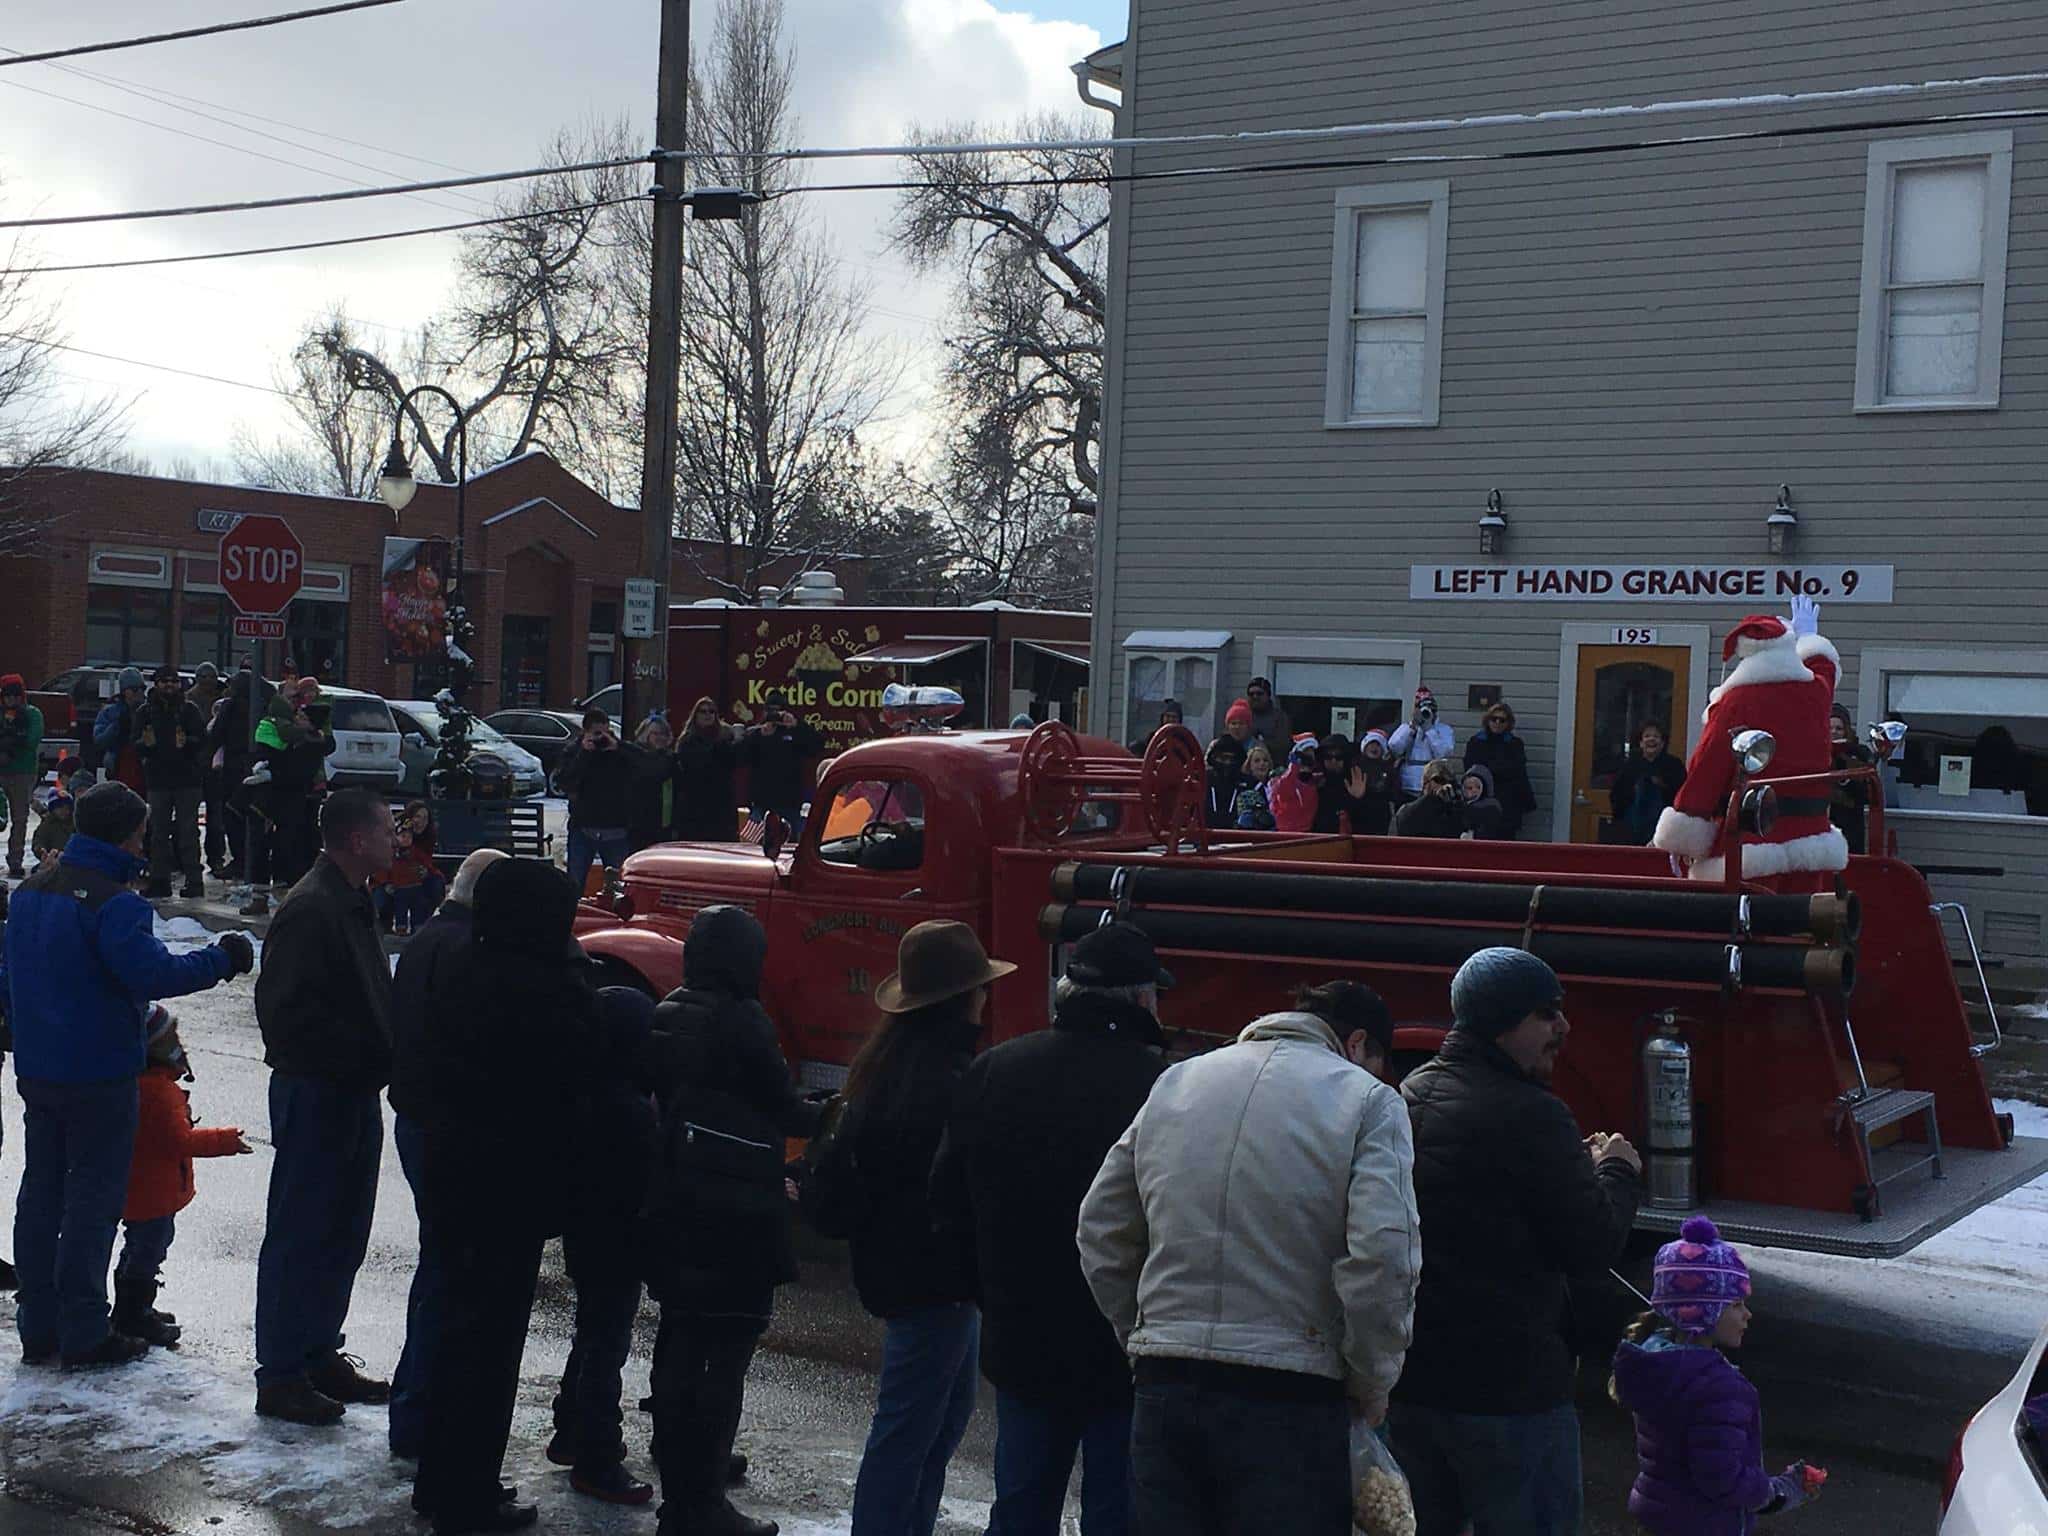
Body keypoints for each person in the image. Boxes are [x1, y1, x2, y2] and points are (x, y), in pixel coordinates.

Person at [1077, 979, 1420, 1536]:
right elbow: (1385, 1259)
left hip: (1167, 1386)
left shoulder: (1179, 1081)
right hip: (1291, 1398)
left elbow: (1100, 1229)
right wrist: (1371, 1378)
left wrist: (1145, 1331)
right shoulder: (1369, 1100)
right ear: (1358, 1045)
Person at [411, 859, 652, 1536]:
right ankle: (469, 1498)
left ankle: (440, 1481)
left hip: (455, 1175)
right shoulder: (548, 985)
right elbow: (570, 1087)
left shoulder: (463, 965)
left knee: (457, 1340)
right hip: (510, 1192)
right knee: (489, 1354)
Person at [1389, 947, 1643, 1536]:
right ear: (1502, 1023)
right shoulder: (1534, 1115)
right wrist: (1617, 1169)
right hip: (1510, 1392)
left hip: (1414, 1383)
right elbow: (1593, 1246)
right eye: (1547, 1014)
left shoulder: (1412, 1091)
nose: (1564, 1027)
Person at [930, 922, 1171, 1536]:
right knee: (1117, 1512)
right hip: (1126, 1341)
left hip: (1023, 1332)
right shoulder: (1165, 1089)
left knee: (1021, 1506)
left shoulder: (997, 1069)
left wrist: (986, 1291)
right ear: (1143, 1000)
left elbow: (949, 1200)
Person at [7, 781, 251, 1368]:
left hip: (40, 1069)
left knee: (41, 1196)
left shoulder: (32, 893)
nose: (146, 836)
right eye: (141, 829)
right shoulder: (116, 903)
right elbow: (151, 974)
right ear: (125, 832)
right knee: (92, 1202)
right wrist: (223, 958)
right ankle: (85, 1330)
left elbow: (9, 975)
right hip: (98, 1074)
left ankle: (38, 1327)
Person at [644, 904, 820, 1536]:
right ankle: (702, 1501)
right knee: (723, 1359)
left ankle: (680, 1473)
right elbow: (780, 1107)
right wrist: (830, 1114)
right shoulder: (743, 1021)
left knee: (680, 1344)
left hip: (676, 1204)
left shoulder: (667, 1012)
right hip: (735, 1213)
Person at [845, 922, 1015, 1536]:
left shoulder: (892, 1067)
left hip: (911, 1271)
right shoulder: (949, 1079)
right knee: (913, 1430)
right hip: (935, 1277)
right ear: (965, 998)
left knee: (933, 1423)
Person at [252, 788, 397, 1424]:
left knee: (343, 1233)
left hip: (355, 1091)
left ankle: (317, 1351)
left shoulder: (353, 899)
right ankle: (280, 1372)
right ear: (356, 839)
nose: (398, 838)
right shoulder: (311, 908)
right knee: (301, 1232)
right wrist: (358, 1056)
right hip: (318, 1093)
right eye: (388, 829)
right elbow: (283, 1016)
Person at [387, 848, 507, 1462]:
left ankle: (415, 1412)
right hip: (446, 1126)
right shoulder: (468, 951)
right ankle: (420, 1416)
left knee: (439, 1267)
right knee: (448, 1275)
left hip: (416, 1117)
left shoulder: (427, 941)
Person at [1611, 1217, 1824, 1535]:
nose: (1747, 1315)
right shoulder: (1718, 1387)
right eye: (1736, 1304)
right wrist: (1778, 1491)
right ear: (1704, 1311)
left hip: (1660, 1517)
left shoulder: (1654, 1364)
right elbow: (1721, 1477)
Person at [552, 984, 664, 1509]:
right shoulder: (630, 1111)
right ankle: (596, 1454)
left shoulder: (586, 1093)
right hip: (617, 1242)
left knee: (591, 1334)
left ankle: (572, 1428)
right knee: (606, 1344)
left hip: (587, 1237)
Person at [113, 1005, 253, 1348]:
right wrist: (225, 1140)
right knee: (148, 1249)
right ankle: (134, 1313)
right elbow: (178, 1140)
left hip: (145, 1189)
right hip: (152, 1193)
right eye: (171, 1037)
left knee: (141, 1247)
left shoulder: (147, 1084)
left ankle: (133, 1307)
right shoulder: (156, 1091)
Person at [136, 665, 209, 900]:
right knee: (158, 832)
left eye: (174, 681)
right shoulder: (145, 712)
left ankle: (194, 881)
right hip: (158, 779)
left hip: (187, 779)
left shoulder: (189, 710)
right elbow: (134, 742)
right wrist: (145, 745)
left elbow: (203, 742)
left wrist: (188, 743)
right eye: (164, 681)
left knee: (187, 831)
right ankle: (160, 881)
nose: (170, 686)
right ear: (155, 684)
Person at [559, 707, 636, 892]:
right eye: (597, 733)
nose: (601, 738)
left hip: (615, 827)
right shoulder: (574, 751)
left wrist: (617, 747)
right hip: (583, 827)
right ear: (585, 732)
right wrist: (584, 753)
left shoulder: (617, 750)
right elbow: (566, 782)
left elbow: (638, 765)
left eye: (606, 732)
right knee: (575, 883)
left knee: (619, 885)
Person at [738, 695, 823, 832]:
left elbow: (817, 746)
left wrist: (797, 725)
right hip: (761, 804)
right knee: (753, 843)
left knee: (789, 842)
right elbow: (741, 757)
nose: (775, 715)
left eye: (779, 711)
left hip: (790, 803)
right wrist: (760, 736)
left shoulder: (795, 731)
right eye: (771, 711)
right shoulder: (758, 733)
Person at [1463, 703, 1538, 839]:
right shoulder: (1476, 742)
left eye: (1502, 720)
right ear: (1488, 720)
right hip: (1481, 802)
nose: (1497, 723)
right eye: (1494, 719)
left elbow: (1519, 772)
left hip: (1508, 804)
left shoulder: (1515, 744)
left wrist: (1527, 801)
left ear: (1508, 723)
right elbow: (1470, 769)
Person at [1608, 722, 1687, 848]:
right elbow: (1617, 795)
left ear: (1662, 743)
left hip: (1663, 827)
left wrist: (1661, 785)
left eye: (1656, 736)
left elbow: (1682, 795)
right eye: (1647, 736)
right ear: (1640, 742)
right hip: (1631, 828)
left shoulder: (1674, 765)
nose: (1651, 739)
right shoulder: (1630, 765)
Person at [675, 697, 741, 842]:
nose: (707, 715)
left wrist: (738, 742)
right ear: (695, 714)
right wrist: (722, 745)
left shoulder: (726, 737)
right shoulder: (687, 740)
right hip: (696, 807)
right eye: (703, 711)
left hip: (722, 807)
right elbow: (697, 765)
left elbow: (736, 763)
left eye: (712, 712)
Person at [374, 801, 444, 934]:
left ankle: (421, 924)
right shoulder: (394, 834)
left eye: (425, 818)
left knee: (434, 885)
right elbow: (380, 863)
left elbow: (426, 862)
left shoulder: (426, 838)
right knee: (382, 898)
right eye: (418, 816)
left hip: (413, 881)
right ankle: (384, 926)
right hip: (388, 878)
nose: (421, 821)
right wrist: (386, 882)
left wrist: (427, 872)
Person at [0, 673, 45, 878]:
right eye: (7, 696)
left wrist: (12, 743)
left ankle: (16, 859)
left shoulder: (32, 715)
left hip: (23, 772)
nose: (11, 700)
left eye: (15, 695)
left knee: (20, 818)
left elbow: (32, 740)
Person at [1388, 687, 1455, 798]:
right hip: (1407, 785)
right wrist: (1412, 727)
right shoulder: (1406, 727)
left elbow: (1443, 753)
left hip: (1433, 785)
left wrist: (1429, 730)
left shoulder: (1444, 730)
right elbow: (1394, 747)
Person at [629, 713, 684, 852]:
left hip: (663, 825)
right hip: (638, 825)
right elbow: (655, 773)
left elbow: (679, 793)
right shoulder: (635, 755)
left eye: (664, 734)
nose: (660, 737)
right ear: (644, 734)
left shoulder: (672, 759)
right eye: (655, 733)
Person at [1827, 704, 1876, 857]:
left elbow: (1865, 794)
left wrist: (1845, 771)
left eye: (1839, 728)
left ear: (1846, 730)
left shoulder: (1859, 754)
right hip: (1822, 828)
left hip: (1850, 828)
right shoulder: (1815, 755)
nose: (1834, 732)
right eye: (1830, 728)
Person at [91, 667, 149, 794]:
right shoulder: (110, 712)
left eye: (142, 689)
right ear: (124, 691)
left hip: (145, 769)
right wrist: (118, 724)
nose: (139, 693)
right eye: (134, 689)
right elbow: (100, 740)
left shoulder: (150, 710)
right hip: (119, 766)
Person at [1392, 758, 1467, 838]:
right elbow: (1405, 824)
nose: (1442, 785)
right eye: (1438, 780)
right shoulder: (1409, 810)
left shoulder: (1457, 808)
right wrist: (1431, 799)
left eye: (1447, 781)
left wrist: (1453, 804)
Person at [1265, 734, 1322, 833]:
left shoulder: (1315, 782)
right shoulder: (1280, 780)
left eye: (1310, 758)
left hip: (1308, 833)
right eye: (1303, 757)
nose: (1306, 763)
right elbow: (1283, 790)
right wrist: (1294, 767)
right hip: (1285, 834)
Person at [31, 757, 80, 869]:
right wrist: (40, 850)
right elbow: (39, 839)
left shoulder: (75, 823)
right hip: (52, 857)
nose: (64, 811)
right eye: (60, 808)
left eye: (67, 808)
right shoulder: (48, 823)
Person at [1243, 678, 1293, 764]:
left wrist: (1258, 744)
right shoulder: (1242, 715)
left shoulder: (1280, 717)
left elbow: (1283, 745)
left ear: (1268, 695)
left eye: (1259, 694)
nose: (1255, 697)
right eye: (1251, 694)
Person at [1203, 736, 1246, 831]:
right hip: (1203, 838)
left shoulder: (1251, 785)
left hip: (1239, 841)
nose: (1227, 763)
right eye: (1223, 758)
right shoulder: (1200, 781)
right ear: (1213, 758)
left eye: (1232, 759)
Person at [1232, 743, 1276, 830]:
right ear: (1249, 765)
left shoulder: (1276, 785)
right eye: (1257, 761)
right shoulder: (1242, 788)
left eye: (1265, 760)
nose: (1262, 763)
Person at [1459, 763, 1506, 840]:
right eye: (1469, 788)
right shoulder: (1462, 805)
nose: (1474, 790)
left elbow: (1491, 831)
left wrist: (1474, 835)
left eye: (1478, 787)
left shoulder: (1491, 807)